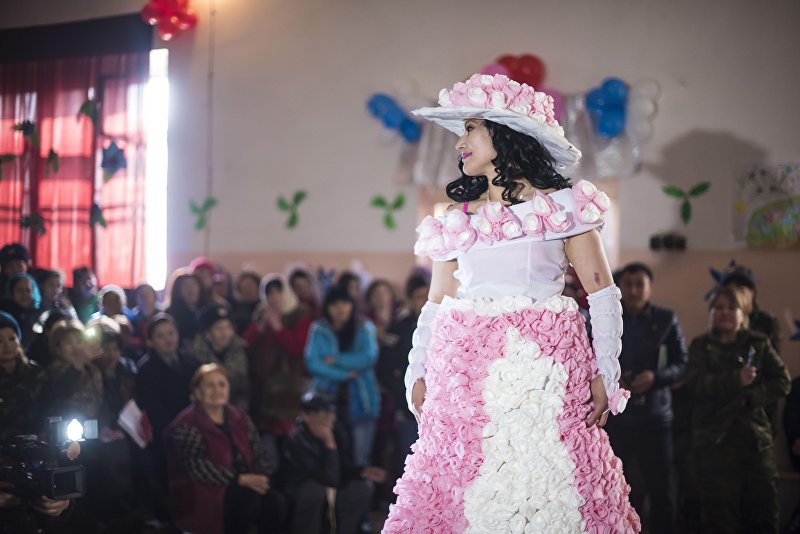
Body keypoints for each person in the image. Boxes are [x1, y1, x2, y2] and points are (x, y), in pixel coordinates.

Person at [384, 73, 639, 532]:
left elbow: (602, 292)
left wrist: (607, 370)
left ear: (505, 134)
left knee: (549, 490)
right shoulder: (458, 218)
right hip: (465, 382)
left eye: (471, 129)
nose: (460, 142)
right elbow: (436, 303)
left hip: (543, 379)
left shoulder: (563, 207)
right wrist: (416, 369)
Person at [684, 286, 790, 532]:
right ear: (711, 313)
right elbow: (694, 384)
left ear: (743, 313)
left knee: (764, 514)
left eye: (732, 307)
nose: (725, 313)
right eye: (719, 307)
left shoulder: (758, 343)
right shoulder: (701, 346)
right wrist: (735, 380)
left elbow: (782, 381)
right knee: (719, 518)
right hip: (714, 442)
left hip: (754, 440)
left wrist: (753, 397)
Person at [602, 262, 687, 534]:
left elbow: (681, 363)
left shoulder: (666, 319)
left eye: (640, 284)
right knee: (617, 487)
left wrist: (656, 377)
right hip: (619, 417)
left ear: (650, 288)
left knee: (661, 490)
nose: (634, 290)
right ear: (620, 287)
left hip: (655, 418)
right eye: (628, 284)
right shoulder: (609, 317)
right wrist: (612, 378)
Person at [165, 363, 287, 534]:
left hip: (246, 481)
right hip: (208, 489)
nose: (217, 390)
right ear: (197, 392)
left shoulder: (240, 417)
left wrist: (263, 476)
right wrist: (239, 479)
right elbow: (197, 468)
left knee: (276, 502)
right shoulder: (185, 424)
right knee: (246, 503)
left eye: (222, 385)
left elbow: (258, 451)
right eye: (210, 385)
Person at [282, 390, 386, 534]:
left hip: (331, 485)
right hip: (306, 489)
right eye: (323, 413)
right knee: (315, 492)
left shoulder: (338, 432)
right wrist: (329, 444)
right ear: (307, 415)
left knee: (361, 487)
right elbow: (326, 478)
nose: (329, 417)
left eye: (331, 412)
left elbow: (343, 467)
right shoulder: (296, 439)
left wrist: (362, 471)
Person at [305, 286, 380, 467]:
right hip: (325, 398)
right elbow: (313, 363)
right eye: (335, 304)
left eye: (345, 303)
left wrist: (336, 359)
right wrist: (344, 374)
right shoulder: (318, 329)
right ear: (327, 307)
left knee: (360, 458)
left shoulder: (364, 326)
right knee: (325, 455)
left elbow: (369, 357)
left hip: (362, 399)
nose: (340, 308)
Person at [135, 313, 200, 520]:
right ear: (151, 341)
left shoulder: (191, 362)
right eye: (161, 336)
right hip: (166, 432)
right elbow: (153, 408)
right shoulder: (146, 369)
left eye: (171, 333)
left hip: (196, 428)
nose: (168, 339)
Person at [242, 274, 313, 462]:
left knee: (292, 444)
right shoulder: (261, 314)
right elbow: (246, 345)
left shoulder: (301, 315)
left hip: (291, 390)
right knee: (268, 446)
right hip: (265, 390)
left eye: (278, 292)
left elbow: (298, 348)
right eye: (269, 293)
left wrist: (278, 328)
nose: (274, 297)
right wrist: (260, 328)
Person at [374, 273, 429, 504]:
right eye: (418, 297)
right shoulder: (399, 327)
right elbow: (385, 370)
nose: (424, 301)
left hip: (437, 406)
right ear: (409, 299)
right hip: (408, 407)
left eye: (427, 295)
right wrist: (403, 394)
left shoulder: (444, 322)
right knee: (409, 458)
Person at [190, 304, 250, 412]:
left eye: (228, 327)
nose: (224, 333)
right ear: (207, 333)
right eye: (218, 328)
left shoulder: (241, 350)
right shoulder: (194, 356)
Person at [165, 272, 203, 346]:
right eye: (186, 285)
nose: (191, 289)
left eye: (193, 285)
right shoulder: (170, 314)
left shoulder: (204, 311)